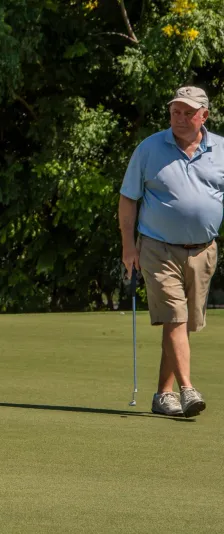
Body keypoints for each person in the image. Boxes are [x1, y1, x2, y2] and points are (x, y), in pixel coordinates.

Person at [119, 86, 223, 418]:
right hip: (157, 247)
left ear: (203, 115)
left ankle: (163, 394)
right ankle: (187, 389)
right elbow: (127, 199)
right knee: (175, 317)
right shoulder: (149, 148)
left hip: (202, 251)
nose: (179, 118)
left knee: (178, 322)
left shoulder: (221, 149)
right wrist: (127, 248)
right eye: (175, 111)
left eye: (188, 112)